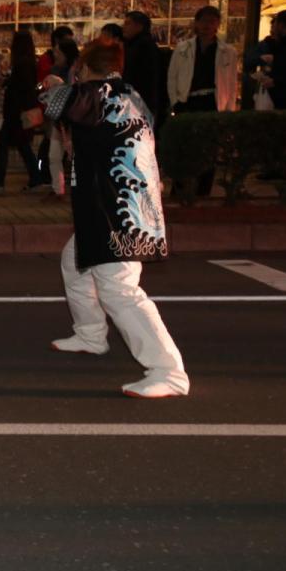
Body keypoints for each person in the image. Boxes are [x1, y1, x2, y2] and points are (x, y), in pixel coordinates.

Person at [40, 37, 188, 399]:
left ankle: (168, 371)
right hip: (125, 204)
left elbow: (58, 103)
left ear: (86, 69)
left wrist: (56, 84)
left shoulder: (99, 92)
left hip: (116, 210)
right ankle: (90, 335)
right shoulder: (129, 95)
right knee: (74, 263)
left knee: (120, 289)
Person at [166, 6, 240, 197]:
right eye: (204, 21)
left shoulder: (227, 51)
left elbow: (231, 83)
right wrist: (176, 101)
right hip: (188, 101)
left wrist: (227, 111)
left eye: (212, 21)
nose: (207, 25)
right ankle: (179, 189)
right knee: (185, 148)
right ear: (196, 23)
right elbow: (172, 77)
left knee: (209, 148)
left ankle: (203, 191)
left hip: (213, 102)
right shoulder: (183, 48)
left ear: (217, 24)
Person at [0, 29, 40, 193]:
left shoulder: (22, 64)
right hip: (21, 113)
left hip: (16, 114)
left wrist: (9, 84)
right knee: (23, 146)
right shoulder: (29, 63)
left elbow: (20, 88)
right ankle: (35, 178)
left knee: (4, 146)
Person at [40, 37, 79, 201]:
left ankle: (79, 189)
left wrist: (60, 85)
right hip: (59, 119)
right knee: (54, 155)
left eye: (58, 51)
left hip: (74, 120)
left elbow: (77, 93)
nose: (55, 54)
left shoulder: (77, 70)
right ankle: (58, 189)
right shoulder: (55, 69)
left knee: (74, 156)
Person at [121, 11, 162, 125]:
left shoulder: (142, 46)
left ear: (139, 26)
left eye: (128, 24)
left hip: (139, 100)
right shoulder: (134, 45)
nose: (124, 27)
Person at [261, 10, 286, 110]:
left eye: (276, 23)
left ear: (281, 25)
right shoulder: (284, 42)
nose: (274, 27)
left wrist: (275, 81)